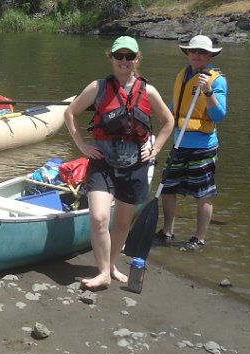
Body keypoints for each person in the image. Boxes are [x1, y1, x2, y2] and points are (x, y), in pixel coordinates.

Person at [64, 36, 174, 290]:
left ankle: (111, 265)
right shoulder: (98, 87)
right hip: (102, 162)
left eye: (129, 56)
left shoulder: (148, 91)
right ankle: (103, 272)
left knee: (123, 223)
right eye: (119, 56)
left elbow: (168, 122)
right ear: (111, 57)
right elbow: (70, 113)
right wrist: (82, 146)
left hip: (135, 165)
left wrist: (156, 148)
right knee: (99, 217)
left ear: (137, 58)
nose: (124, 61)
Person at [155, 34, 228, 252]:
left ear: (209, 56)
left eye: (202, 52)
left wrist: (208, 92)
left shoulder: (217, 80)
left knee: (203, 193)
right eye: (193, 51)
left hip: (203, 145)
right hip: (179, 143)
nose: (197, 55)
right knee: (168, 187)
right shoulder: (183, 75)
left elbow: (219, 115)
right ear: (188, 53)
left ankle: (199, 239)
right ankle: (167, 231)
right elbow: (174, 108)